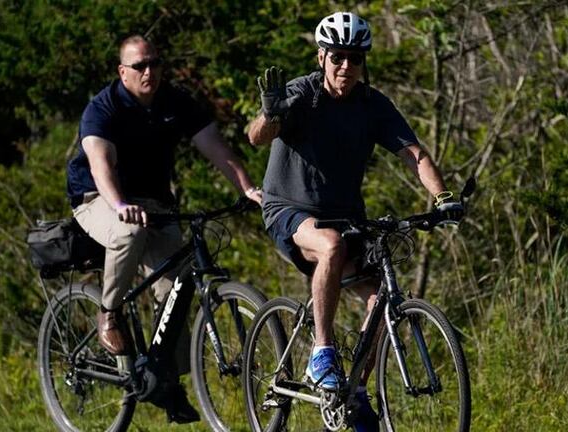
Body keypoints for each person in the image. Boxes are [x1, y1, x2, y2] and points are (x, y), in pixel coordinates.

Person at [248, 12, 459, 431]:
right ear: (322, 56)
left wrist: (442, 197)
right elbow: (256, 136)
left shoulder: (371, 104)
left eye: (355, 58)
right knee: (330, 244)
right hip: (289, 209)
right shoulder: (302, 94)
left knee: (381, 295)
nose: (346, 66)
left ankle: (355, 395)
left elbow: (413, 154)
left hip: (345, 216)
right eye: (338, 57)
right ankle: (321, 353)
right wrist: (270, 114)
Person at [66, 35, 262, 423]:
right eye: (139, 66)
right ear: (123, 72)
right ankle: (109, 313)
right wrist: (119, 205)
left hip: (154, 203)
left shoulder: (176, 102)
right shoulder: (102, 108)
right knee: (128, 235)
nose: (149, 72)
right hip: (97, 198)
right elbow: (100, 165)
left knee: (176, 283)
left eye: (154, 63)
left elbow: (216, 147)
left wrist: (247, 188)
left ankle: (166, 380)